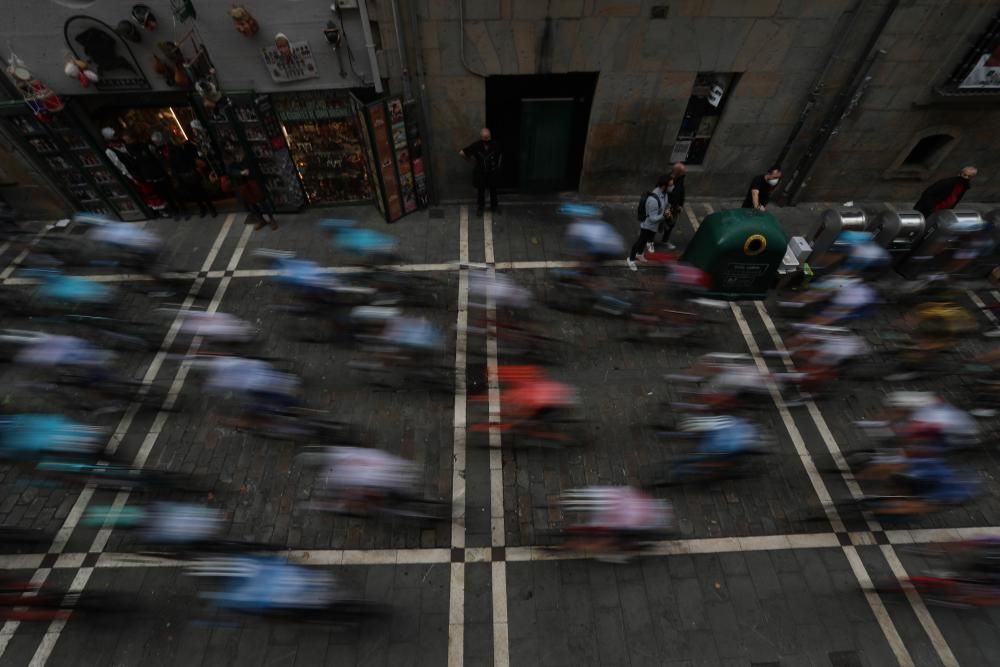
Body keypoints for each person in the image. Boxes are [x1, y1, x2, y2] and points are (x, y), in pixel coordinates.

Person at [156, 132, 217, 218]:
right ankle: (204, 208)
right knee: (196, 193)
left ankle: (209, 208)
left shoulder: (185, 147)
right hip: (185, 175)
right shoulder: (173, 151)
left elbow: (191, 159)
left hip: (190, 173)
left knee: (201, 192)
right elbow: (173, 164)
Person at [626, 175, 671, 271]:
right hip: (647, 226)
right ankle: (631, 259)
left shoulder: (665, 194)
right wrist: (664, 216)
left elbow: (665, 205)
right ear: (664, 186)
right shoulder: (653, 200)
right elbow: (652, 218)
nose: (672, 186)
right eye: (670, 185)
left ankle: (640, 254)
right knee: (640, 241)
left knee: (645, 241)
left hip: (654, 226)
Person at [459, 127, 502, 216]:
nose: (486, 140)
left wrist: (498, 166)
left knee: (493, 191)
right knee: (481, 192)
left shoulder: (495, 144)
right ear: (481, 137)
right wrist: (470, 160)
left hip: (492, 172)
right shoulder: (476, 145)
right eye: (484, 138)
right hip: (481, 173)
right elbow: (462, 152)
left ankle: (494, 206)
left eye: (487, 138)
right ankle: (480, 208)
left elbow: (500, 155)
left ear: (490, 136)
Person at [653, 162, 686, 252]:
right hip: (665, 206)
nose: (684, 174)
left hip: (674, 207)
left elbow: (681, 192)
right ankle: (649, 241)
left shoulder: (680, 179)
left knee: (671, 224)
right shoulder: (666, 179)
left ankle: (664, 240)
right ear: (678, 172)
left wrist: (680, 205)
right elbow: (660, 192)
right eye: (683, 172)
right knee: (657, 224)